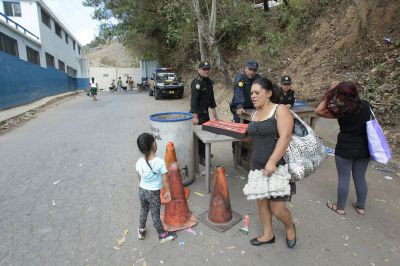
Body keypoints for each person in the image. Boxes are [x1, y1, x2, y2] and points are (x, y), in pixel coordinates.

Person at [245, 77, 296, 248]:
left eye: (257, 92)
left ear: (268, 93)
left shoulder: (279, 110)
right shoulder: (254, 113)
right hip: (257, 166)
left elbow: (285, 136)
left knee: (278, 209)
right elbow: (256, 137)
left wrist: (272, 161)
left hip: (277, 167)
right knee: (262, 203)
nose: (253, 95)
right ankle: (268, 235)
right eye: (251, 92)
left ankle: (290, 227)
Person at [315, 81, 371, 215]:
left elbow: (318, 111)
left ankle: (340, 208)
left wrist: (330, 92)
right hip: (364, 147)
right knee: (360, 177)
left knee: (344, 177)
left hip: (345, 147)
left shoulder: (340, 109)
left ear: (340, 94)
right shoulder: (366, 105)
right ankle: (360, 207)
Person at [135, 133, 177, 243]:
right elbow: (165, 180)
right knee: (155, 214)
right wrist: (168, 192)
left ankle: (141, 231)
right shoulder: (159, 162)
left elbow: (139, 177)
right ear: (153, 146)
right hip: (153, 193)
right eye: (155, 142)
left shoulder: (139, 162)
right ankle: (162, 235)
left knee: (144, 209)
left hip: (142, 190)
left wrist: (143, 185)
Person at [190, 61, 218, 165]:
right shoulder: (197, 83)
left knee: (206, 134)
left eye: (207, 69)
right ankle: (201, 157)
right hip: (197, 114)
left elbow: (211, 98)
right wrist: (194, 117)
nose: (206, 71)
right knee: (200, 136)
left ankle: (204, 153)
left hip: (205, 113)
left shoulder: (209, 82)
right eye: (204, 69)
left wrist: (215, 113)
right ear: (199, 70)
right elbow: (193, 102)